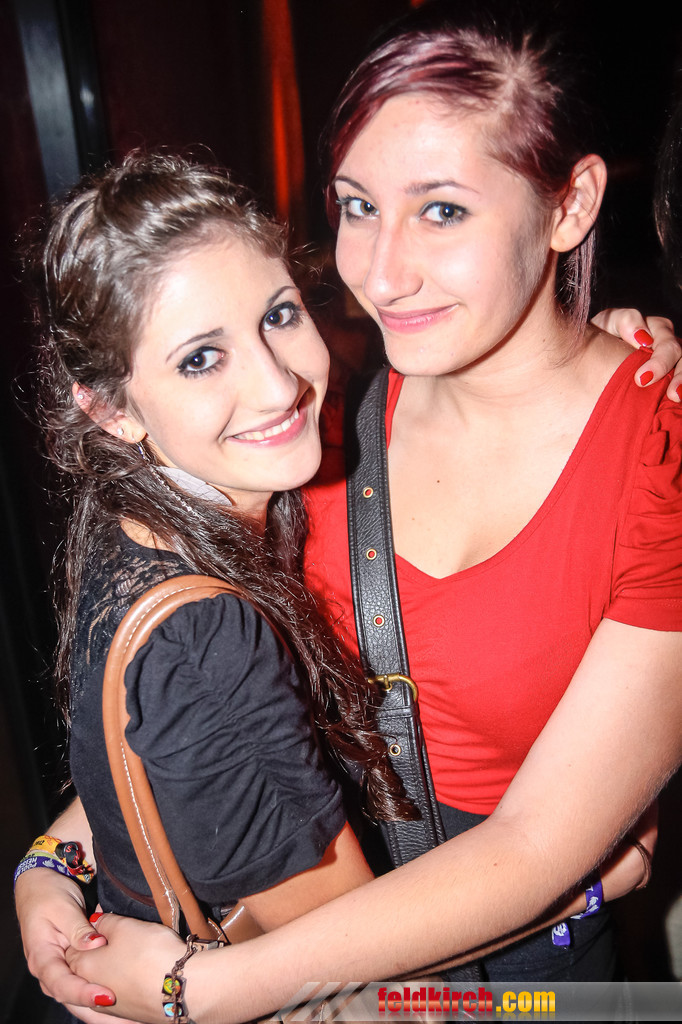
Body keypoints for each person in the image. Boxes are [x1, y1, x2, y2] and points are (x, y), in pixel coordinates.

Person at [15, 14, 682, 1024]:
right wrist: (53, 861)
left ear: (570, 203)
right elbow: (217, 711)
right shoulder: (319, 409)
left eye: (442, 210)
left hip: (519, 985)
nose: (380, 272)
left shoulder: (658, 460)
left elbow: (535, 846)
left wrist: (202, 990)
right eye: (359, 207)